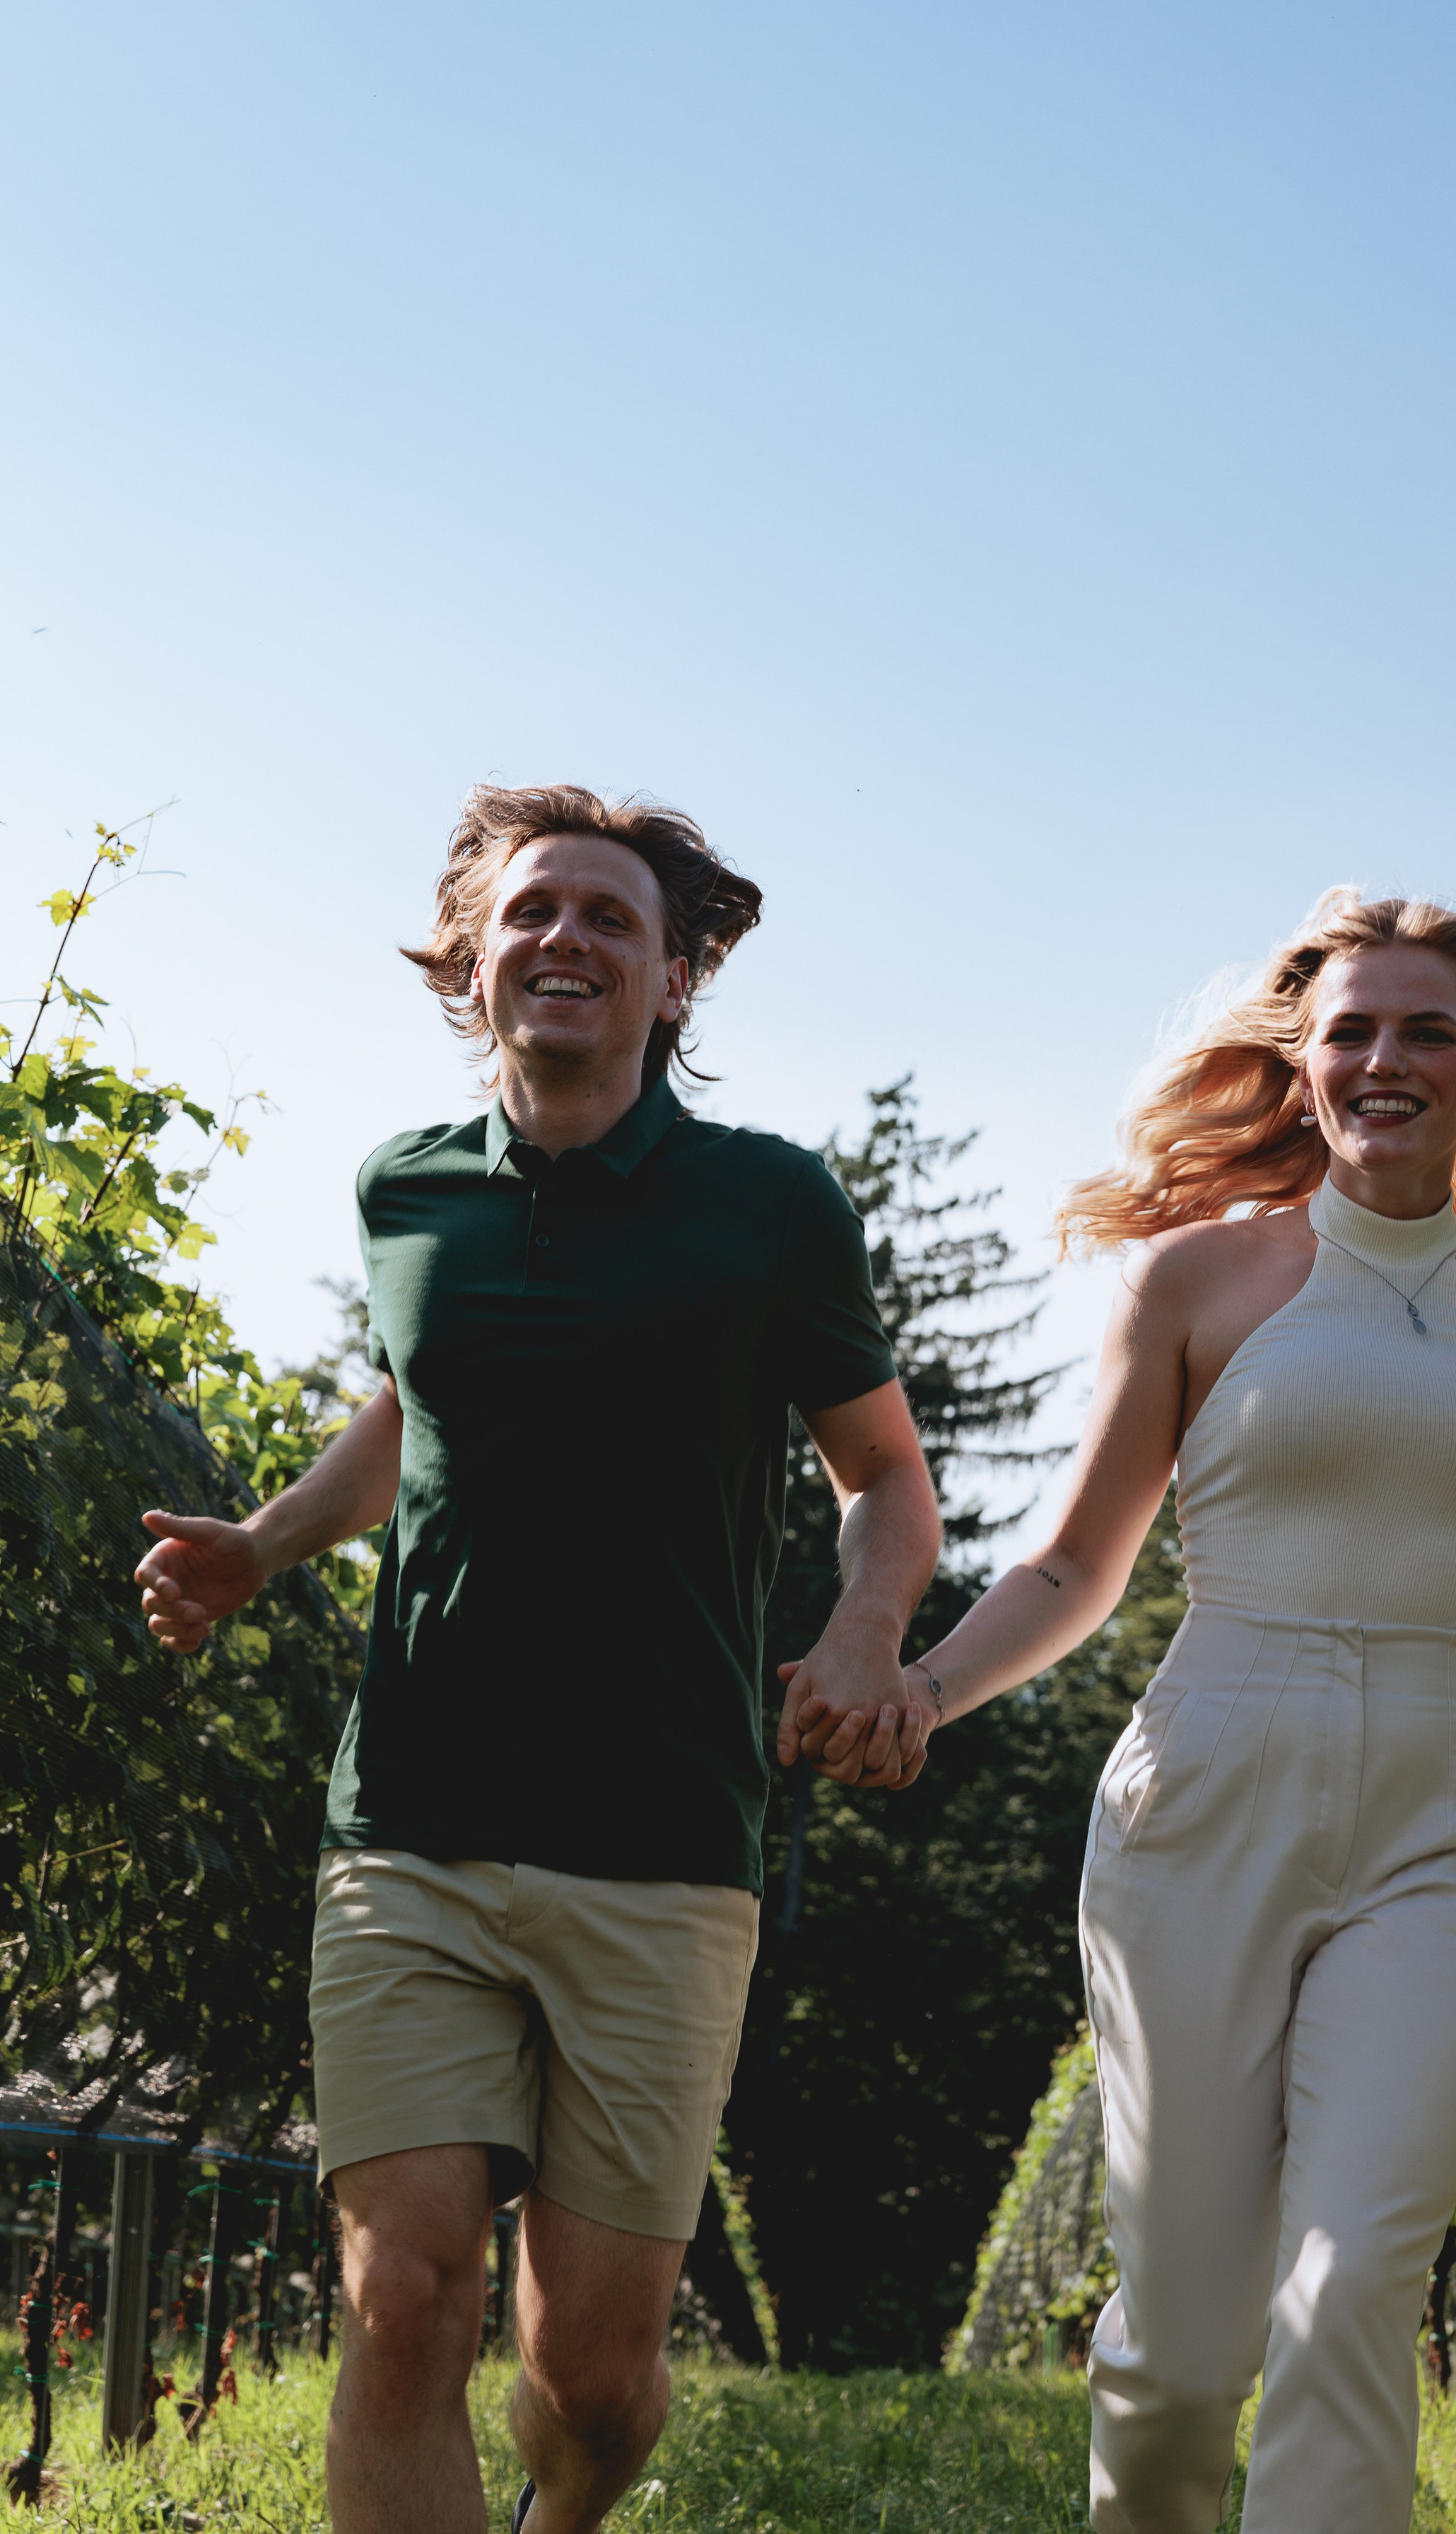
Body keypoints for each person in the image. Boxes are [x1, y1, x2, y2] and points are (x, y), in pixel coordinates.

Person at [135, 784, 943, 2534]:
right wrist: (263, 1544)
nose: (564, 937)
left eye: (609, 919)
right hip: (411, 1823)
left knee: (591, 2378)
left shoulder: (768, 1205)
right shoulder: (405, 1189)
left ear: (672, 980)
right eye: (531, 910)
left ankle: (562, 2514)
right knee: (401, 2294)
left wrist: (862, 1628)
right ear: (469, 959)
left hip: (663, 1838)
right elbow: (416, 1404)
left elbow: (884, 1473)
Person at [812, 889, 1456, 2534]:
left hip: (1453, 1828)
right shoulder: (1197, 1280)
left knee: (1350, 2286)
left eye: (1426, 1031)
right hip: (1203, 1802)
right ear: (1298, 1067)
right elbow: (1073, 1564)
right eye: (1349, 1031)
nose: (1384, 1059)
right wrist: (921, 1689)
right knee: (1181, 2352)